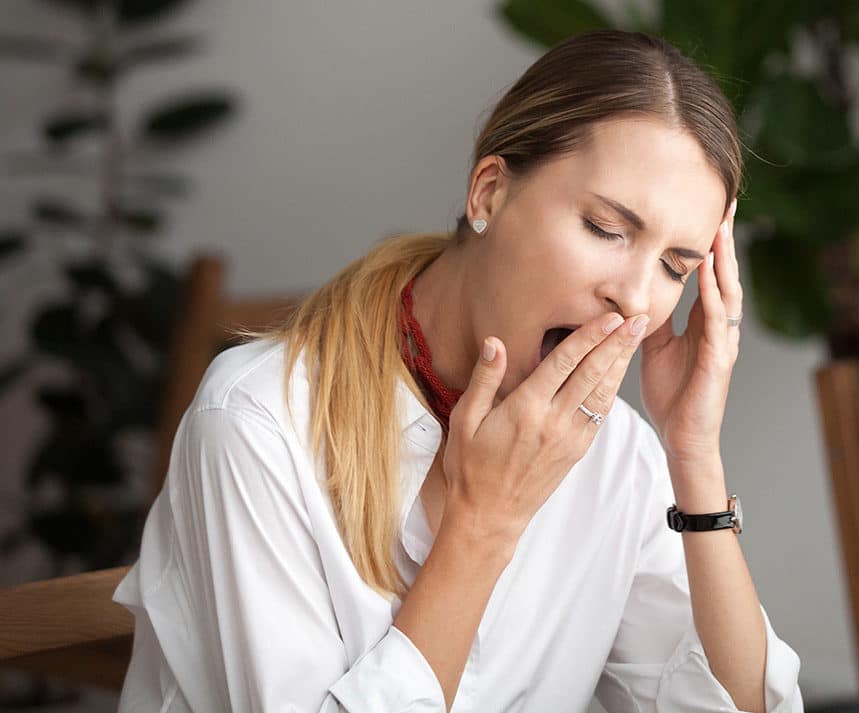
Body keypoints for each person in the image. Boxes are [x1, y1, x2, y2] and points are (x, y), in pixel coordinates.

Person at [113, 30, 802, 713]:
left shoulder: (618, 453)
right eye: (604, 227)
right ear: (490, 193)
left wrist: (694, 454)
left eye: (674, 266)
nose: (635, 295)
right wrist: (484, 523)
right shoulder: (255, 423)